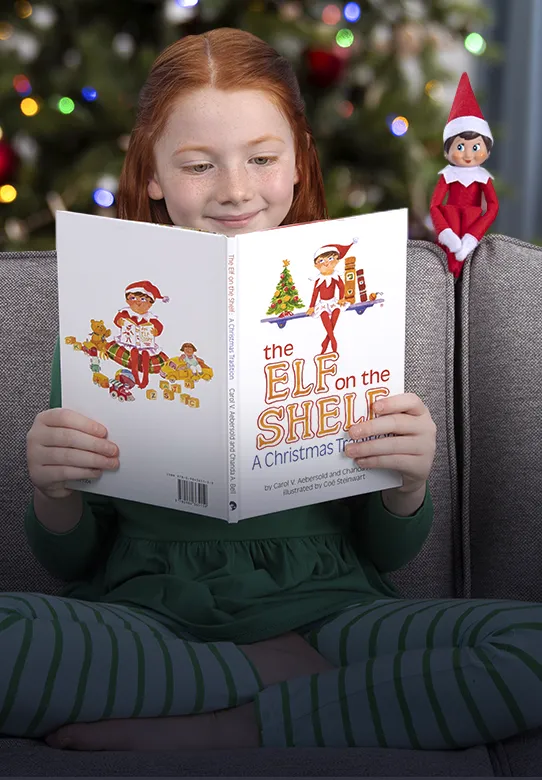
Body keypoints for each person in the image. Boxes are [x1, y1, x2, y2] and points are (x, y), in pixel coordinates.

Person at [13, 29, 540, 752]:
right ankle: (280, 682)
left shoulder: (354, 302)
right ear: (155, 173)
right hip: (146, 616)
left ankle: (232, 724)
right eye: (198, 165)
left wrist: (406, 486)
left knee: (528, 641)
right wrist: (54, 491)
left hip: (334, 616)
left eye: (261, 159)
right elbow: (69, 560)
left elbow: (387, 553)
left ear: (297, 162)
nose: (234, 189)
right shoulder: (103, 321)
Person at [430, 72, 499, 280]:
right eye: (460, 146)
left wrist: (473, 236)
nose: (468, 155)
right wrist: (446, 234)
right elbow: (434, 205)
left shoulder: (483, 178)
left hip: (473, 229)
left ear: (487, 149)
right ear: (447, 151)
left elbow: (493, 207)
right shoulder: (447, 176)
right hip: (450, 228)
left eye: (475, 147)